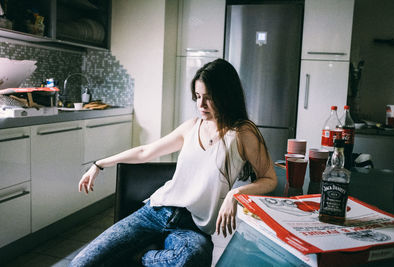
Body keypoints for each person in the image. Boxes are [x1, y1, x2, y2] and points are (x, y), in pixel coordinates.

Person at [70, 58, 277, 267]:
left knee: (192, 258)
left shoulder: (242, 133)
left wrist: (235, 194)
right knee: (81, 264)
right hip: (156, 211)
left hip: (192, 228)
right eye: (197, 96)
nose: (201, 105)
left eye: (209, 98)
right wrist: (99, 164)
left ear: (225, 96)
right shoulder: (192, 126)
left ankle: (142, 256)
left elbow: (269, 179)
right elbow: (145, 152)